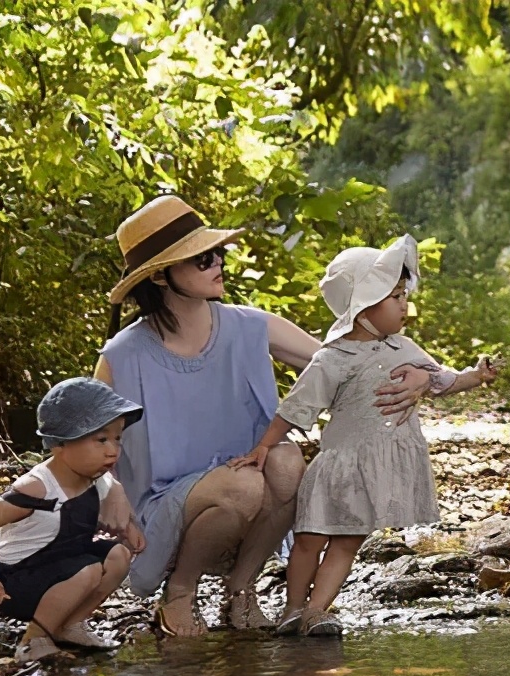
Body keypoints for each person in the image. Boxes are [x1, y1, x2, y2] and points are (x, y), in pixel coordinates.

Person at [94, 195, 432, 637]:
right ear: (159, 275)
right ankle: (178, 593)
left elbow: (348, 364)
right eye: (201, 259)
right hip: (166, 507)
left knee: (288, 462)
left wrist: (424, 377)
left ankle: (240, 591)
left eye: (218, 253)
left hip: (249, 501)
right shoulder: (122, 355)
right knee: (245, 483)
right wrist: (109, 489)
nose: (218, 263)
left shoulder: (251, 326)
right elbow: (85, 442)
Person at [237, 234, 497, 636]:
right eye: (394, 297)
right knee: (309, 540)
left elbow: (444, 381)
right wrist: (264, 445)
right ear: (362, 308)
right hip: (338, 467)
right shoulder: (332, 358)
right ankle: (292, 607)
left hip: (374, 470)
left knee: (346, 544)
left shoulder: (407, 348)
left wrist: (476, 376)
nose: (404, 305)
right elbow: (296, 407)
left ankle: (316, 612)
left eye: (403, 296)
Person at [0, 377, 146, 663]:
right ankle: (32, 640)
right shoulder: (38, 488)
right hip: (17, 579)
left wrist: (130, 527)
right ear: (60, 445)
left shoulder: (94, 478)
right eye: (101, 439)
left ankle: (69, 625)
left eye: (117, 438)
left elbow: (114, 493)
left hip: (66, 565)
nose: (113, 450)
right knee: (86, 570)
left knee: (119, 556)